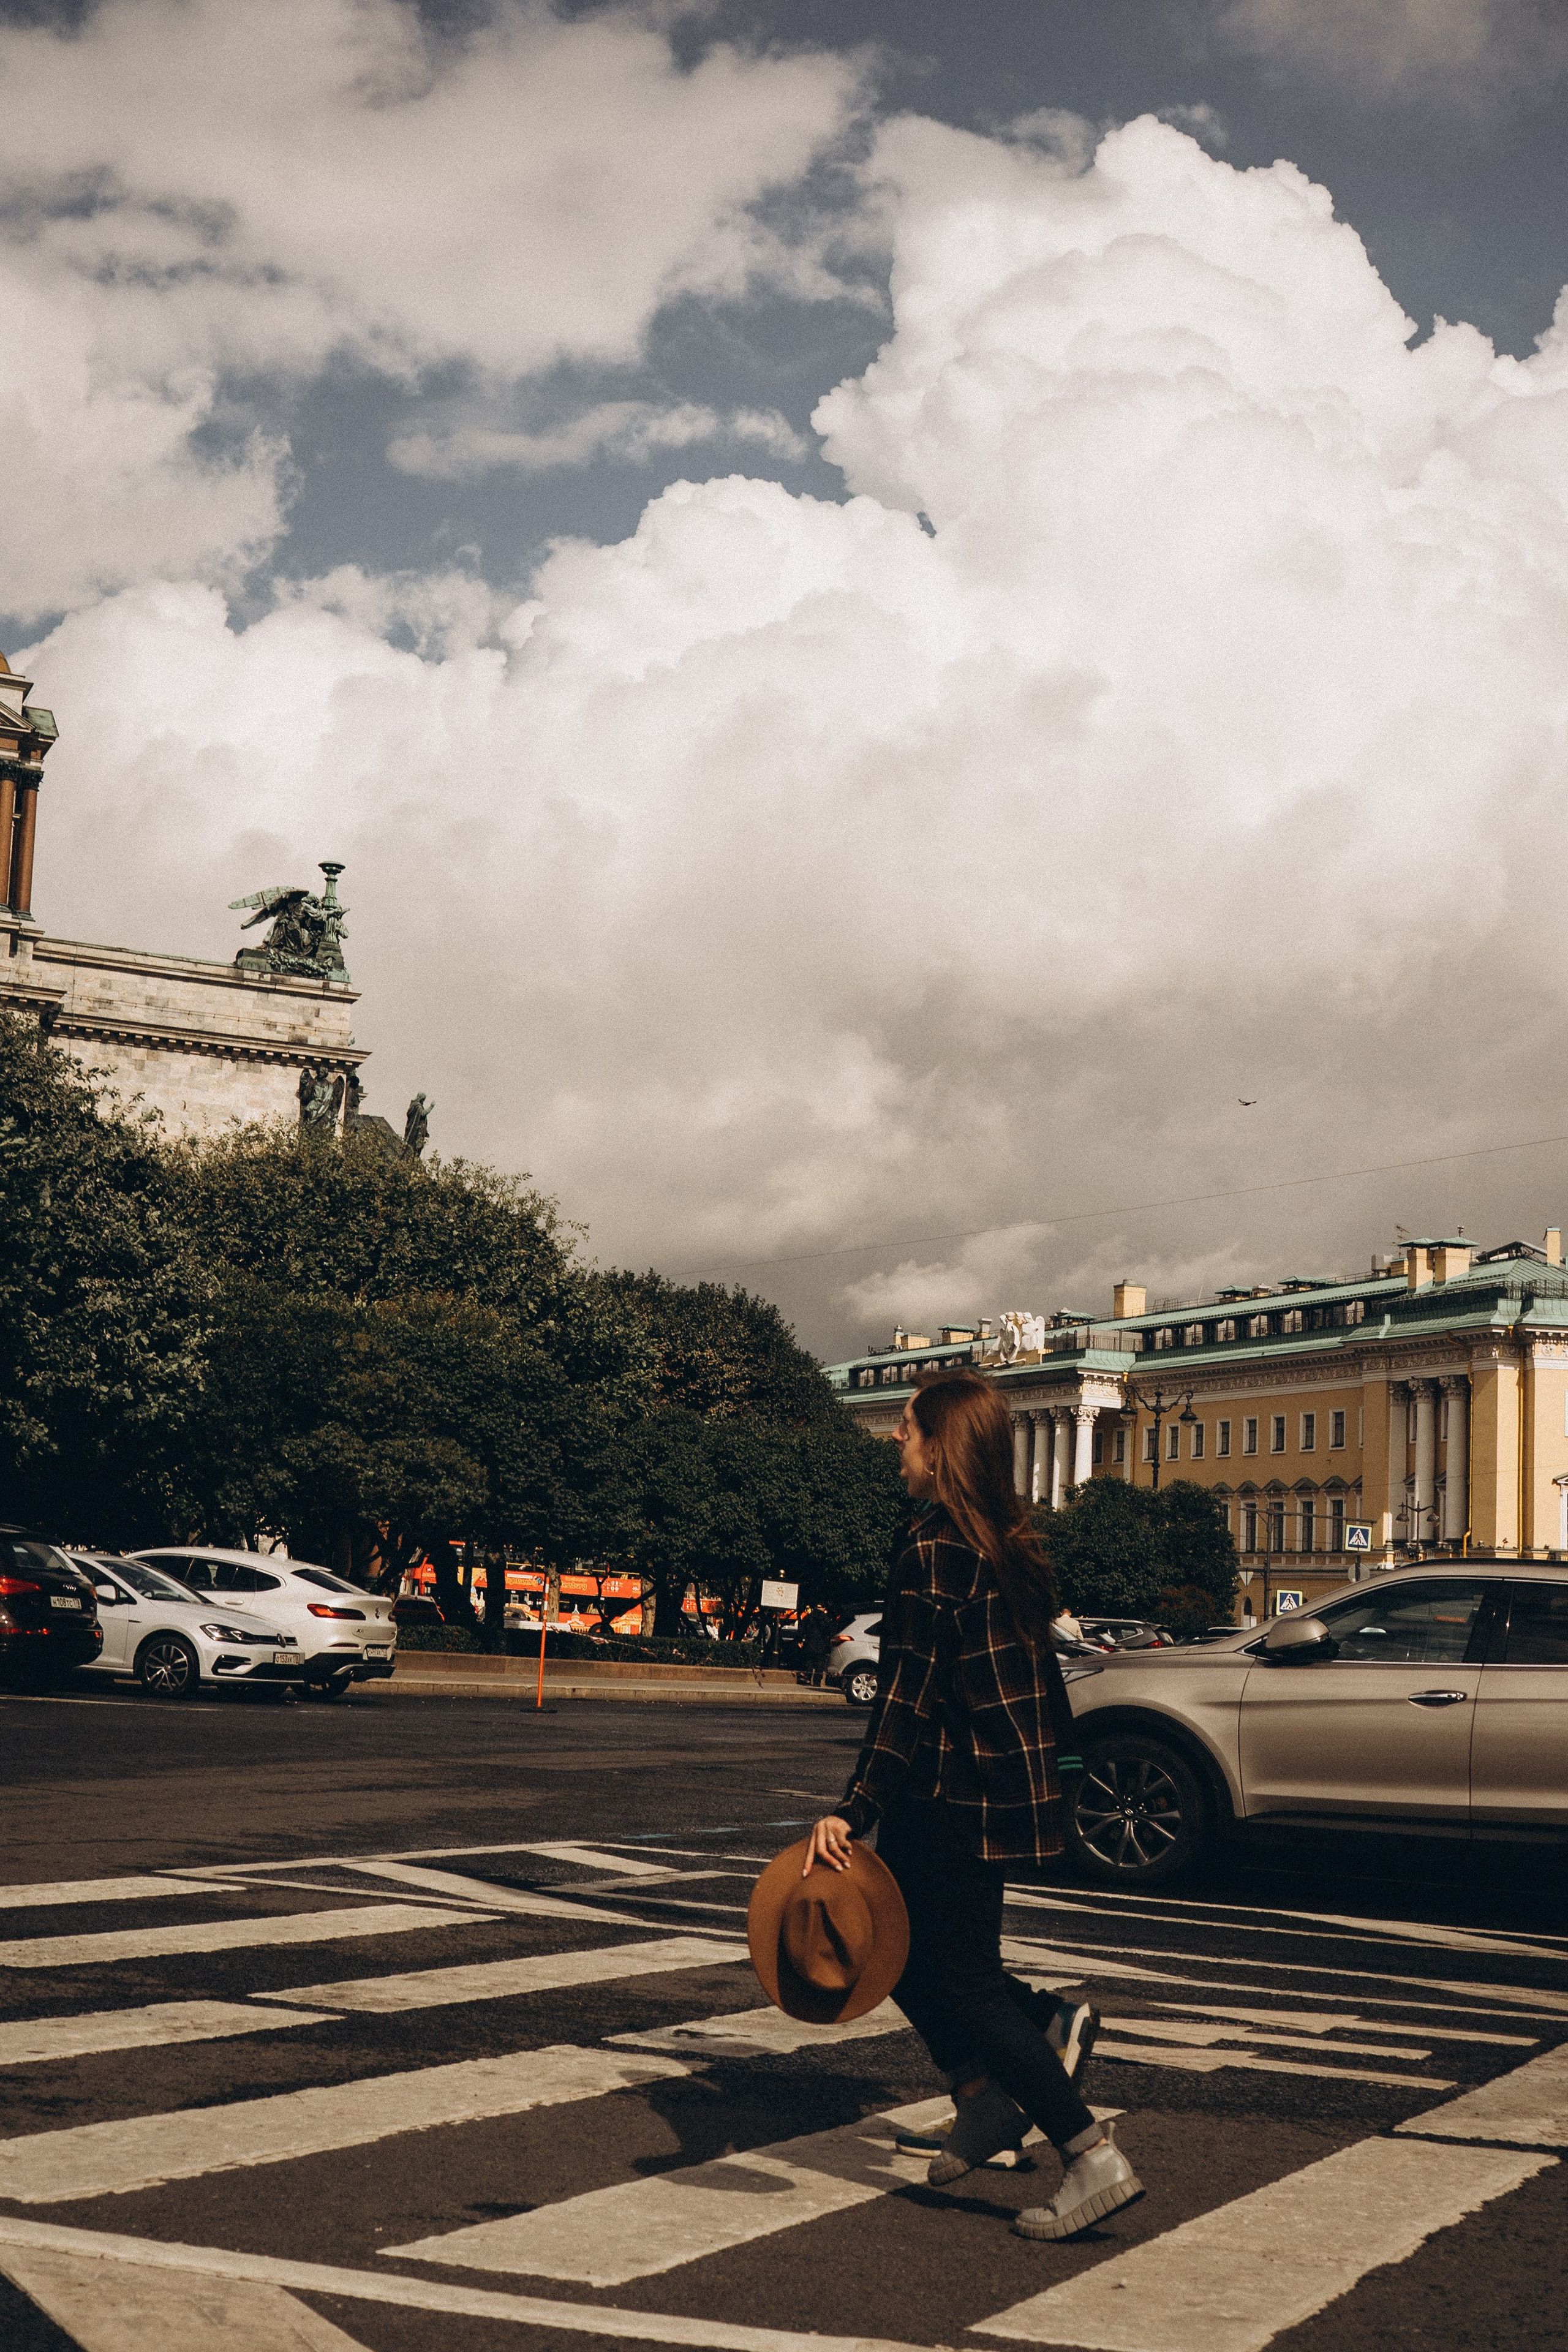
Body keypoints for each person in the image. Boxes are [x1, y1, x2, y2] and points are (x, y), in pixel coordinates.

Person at [803, 1368, 1145, 2242]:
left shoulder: (934, 1547)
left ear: (941, 1445)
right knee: (908, 1956)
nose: (897, 1440)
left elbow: (908, 1694)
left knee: (964, 1981)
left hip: (951, 1790)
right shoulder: (1000, 1539)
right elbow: (1035, 1682)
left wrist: (853, 1807)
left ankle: (1085, 2148)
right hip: (993, 1788)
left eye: (909, 1428)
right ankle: (985, 2095)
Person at [797, 1603, 834, 1687]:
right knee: (819, 1665)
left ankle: (808, 1679)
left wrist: (800, 1640)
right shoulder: (826, 1619)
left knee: (809, 1662)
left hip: (809, 1643)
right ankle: (817, 1682)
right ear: (823, 1608)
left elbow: (802, 1630)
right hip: (822, 1644)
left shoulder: (809, 1617)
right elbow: (830, 1632)